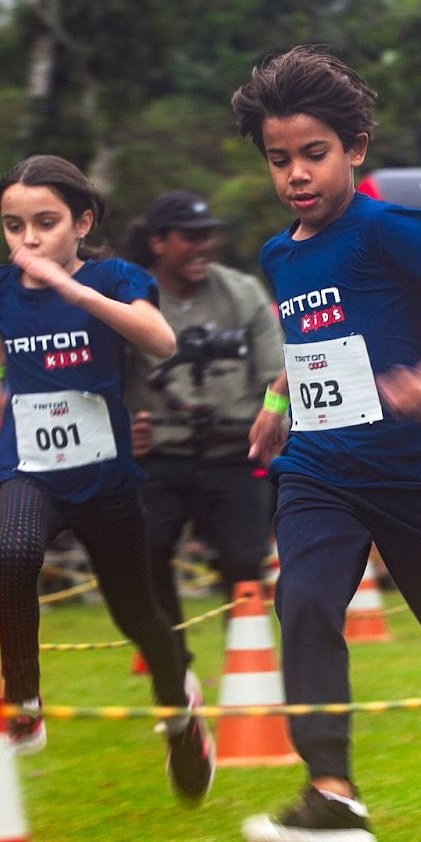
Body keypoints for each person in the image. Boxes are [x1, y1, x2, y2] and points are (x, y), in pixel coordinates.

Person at [231, 45, 421, 842]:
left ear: (355, 147)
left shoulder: (387, 230)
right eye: (279, 160)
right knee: (301, 601)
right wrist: (274, 402)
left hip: (410, 468)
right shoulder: (280, 253)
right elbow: (307, 341)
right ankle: (332, 790)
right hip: (320, 469)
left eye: (314, 155)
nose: (297, 174)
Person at [0, 153, 213, 804]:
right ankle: (22, 697)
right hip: (29, 464)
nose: (28, 240)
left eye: (44, 223)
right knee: (15, 553)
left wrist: (74, 291)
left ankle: (181, 712)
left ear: (81, 222)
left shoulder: (115, 277)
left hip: (104, 476)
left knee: (139, 616)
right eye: (13, 225)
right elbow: (2, 327)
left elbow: (160, 340)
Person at [122, 189, 285, 645]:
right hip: (159, 455)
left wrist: (275, 420)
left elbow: (277, 372)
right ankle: (173, 668)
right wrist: (120, 428)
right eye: (189, 237)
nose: (202, 246)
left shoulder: (242, 290)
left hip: (234, 452)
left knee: (244, 562)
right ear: (159, 243)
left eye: (207, 236)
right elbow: (104, 375)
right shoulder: (129, 296)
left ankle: (247, 670)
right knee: (146, 553)